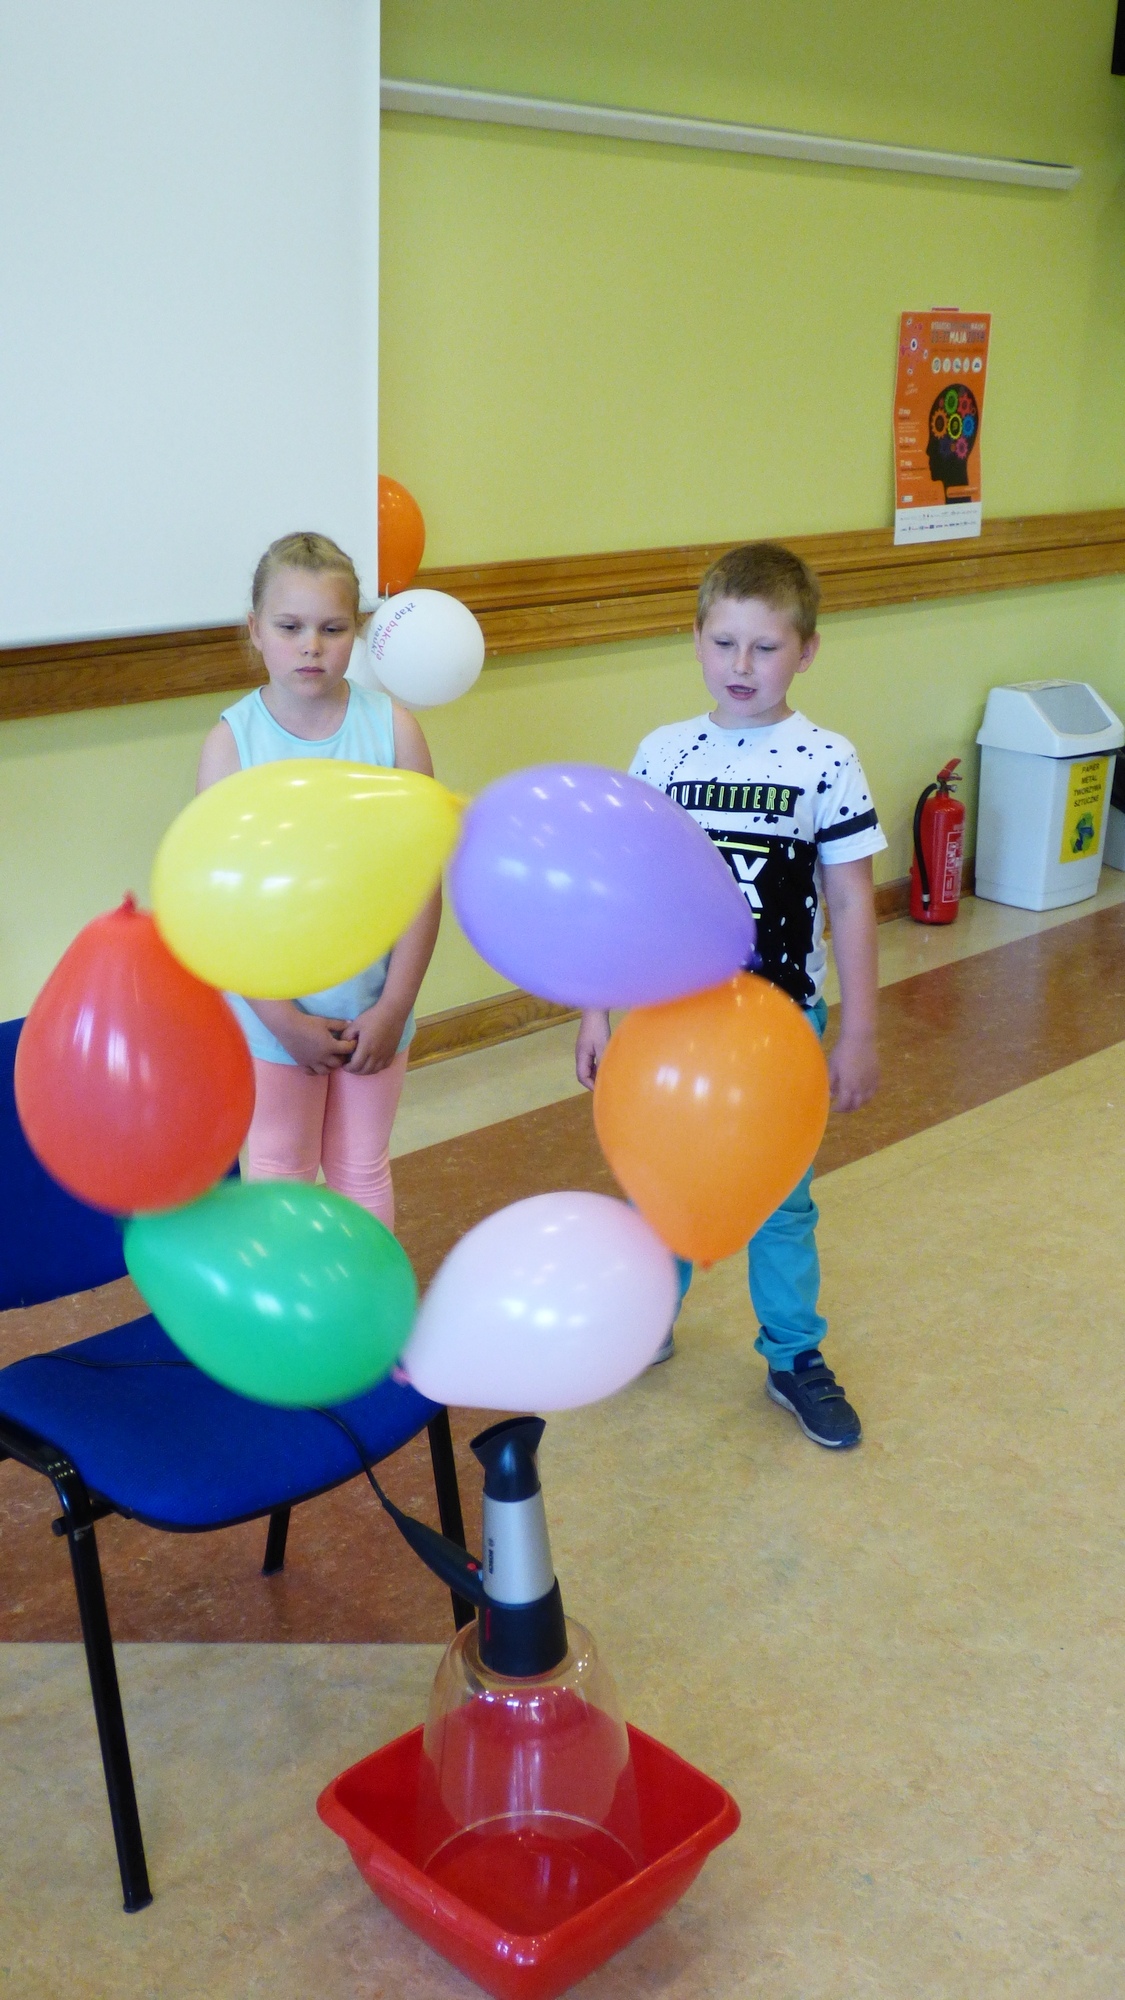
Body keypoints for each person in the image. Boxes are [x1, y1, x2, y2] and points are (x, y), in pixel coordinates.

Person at [575, 542, 884, 1448]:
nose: (740, 665)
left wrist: (858, 1031)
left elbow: (850, 901)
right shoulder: (662, 753)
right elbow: (626, 891)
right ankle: (647, 1319)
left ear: (806, 651)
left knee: (782, 1201)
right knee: (660, 1182)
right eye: (723, 643)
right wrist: (595, 1009)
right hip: (667, 1027)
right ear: (697, 640)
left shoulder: (825, 759)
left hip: (782, 1028)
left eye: (765, 646)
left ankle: (794, 1357)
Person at [196, 530, 439, 1232]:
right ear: (255, 630)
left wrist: (395, 1005)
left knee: (362, 1166)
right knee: (280, 1167)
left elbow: (421, 881)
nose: (311, 646)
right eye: (290, 627)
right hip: (270, 1015)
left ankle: (366, 1302)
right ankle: (285, 1303)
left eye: (332, 629)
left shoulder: (393, 730)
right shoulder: (231, 744)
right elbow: (221, 908)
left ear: (355, 631)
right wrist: (282, 1020)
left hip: (375, 1006)